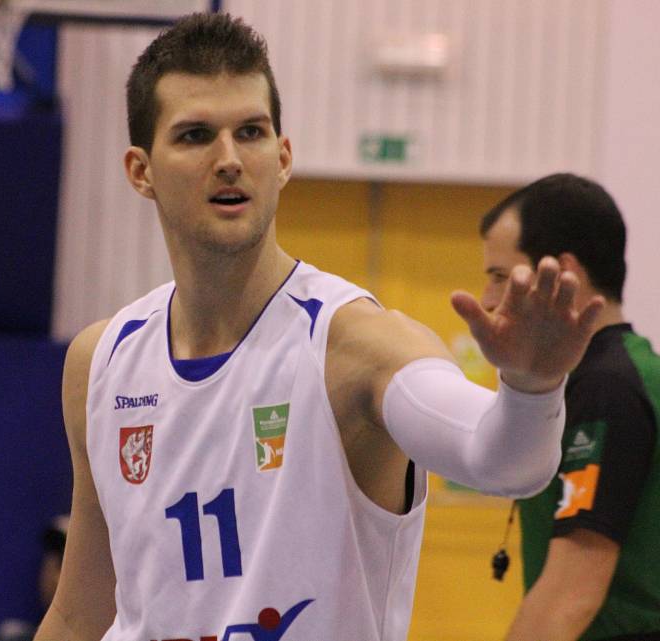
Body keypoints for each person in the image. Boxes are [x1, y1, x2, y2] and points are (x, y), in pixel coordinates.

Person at [35, 14, 602, 641]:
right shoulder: (102, 358)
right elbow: (81, 611)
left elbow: (502, 463)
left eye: (250, 132)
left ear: (281, 158)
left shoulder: (356, 345)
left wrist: (531, 387)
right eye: (196, 135)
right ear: (141, 171)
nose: (229, 159)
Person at [478, 173, 660, 641]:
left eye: (501, 276)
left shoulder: (606, 388)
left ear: (562, 274)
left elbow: (572, 593)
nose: (491, 300)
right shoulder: (624, 373)